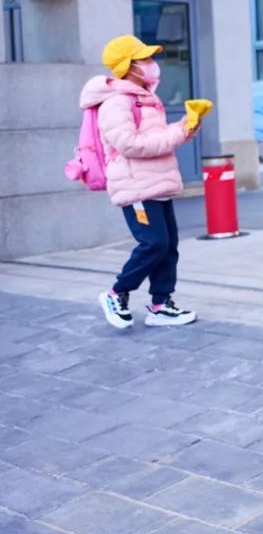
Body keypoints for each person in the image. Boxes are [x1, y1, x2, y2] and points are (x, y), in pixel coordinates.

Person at [83, 35, 202, 329]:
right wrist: (176, 134)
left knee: (168, 245)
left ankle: (161, 304)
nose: (152, 64)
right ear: (129, 66)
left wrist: (186, 126)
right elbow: (130, 145)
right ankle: (116, 293)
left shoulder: (145, 97)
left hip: (156, 184)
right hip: (135, 186)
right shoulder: (117, 102)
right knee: (154, 244)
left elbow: (154, 139)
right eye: (144, 59)